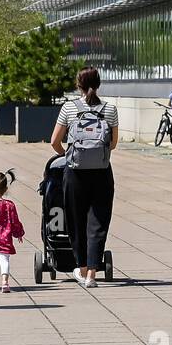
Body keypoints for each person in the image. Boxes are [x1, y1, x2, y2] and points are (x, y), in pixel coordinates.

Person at [50, 67, 119, 288]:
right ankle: (92, 274)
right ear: (99, 84)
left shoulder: (69, 108)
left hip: (75, 172)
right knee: (98, 223)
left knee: (76, 220)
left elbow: (54, 141)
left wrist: (69, 154)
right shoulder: (109, 109)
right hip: (101, 172)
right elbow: (113, 144)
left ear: (78, 84)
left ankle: (79, 267)